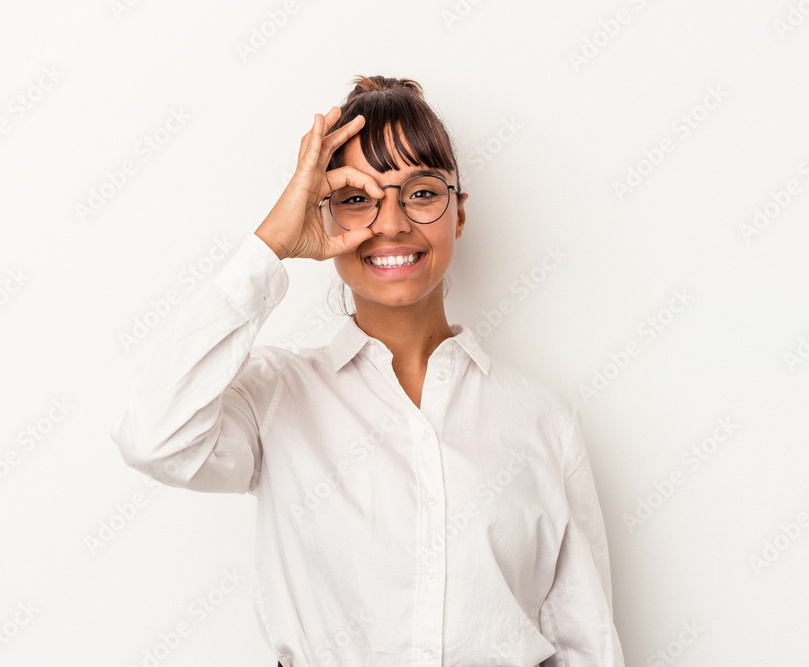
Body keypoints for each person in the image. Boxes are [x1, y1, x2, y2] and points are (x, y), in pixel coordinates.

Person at [111, 75, 625, 667]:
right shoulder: (274, 396)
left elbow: (585, 643)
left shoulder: (542, 418)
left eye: (422, 192)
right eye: (358, 198)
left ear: (458, 213)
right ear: (323, 219)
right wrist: (273, 242)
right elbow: (153, 439)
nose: (391, 224)